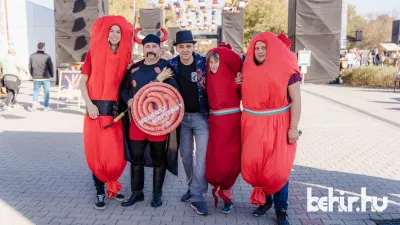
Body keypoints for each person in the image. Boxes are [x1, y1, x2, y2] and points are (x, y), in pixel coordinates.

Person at [240, 33, 301, 225]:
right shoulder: (248, 68)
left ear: (271, 49)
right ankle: (266, 201)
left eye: (263, 48)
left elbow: (297, 100)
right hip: (254, 125)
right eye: (256, 48)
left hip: (279, 124)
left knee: (278, 167)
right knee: (260, 164)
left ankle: (281, 208)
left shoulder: (287, 69)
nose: (259, 51)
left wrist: (293, 128)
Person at [79, 16, 133, 211]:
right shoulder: (93, 52)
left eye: (118, 31)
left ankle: (112, 184)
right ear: (106, 33)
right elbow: (82, 82)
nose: (115, 34)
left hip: (116, 114)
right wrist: (89, 104)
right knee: (98, 153)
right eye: (112, 31)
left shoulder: (127, 56)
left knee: (116, 153)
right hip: (95, 111)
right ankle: (100, 190)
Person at [119, 30, 178, 208]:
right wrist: (128, 99)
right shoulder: (134, 69)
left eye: (154, 46)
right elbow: (122, 90)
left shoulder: (166, 69)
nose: (150, 50)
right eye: (147, 47)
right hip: (137, 122)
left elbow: (175, 93)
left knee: (159, 158)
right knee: (136, 158)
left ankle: (157, 195)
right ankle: (137, 193)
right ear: (142, 49)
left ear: (159, 49)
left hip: (157, 123)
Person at [167, 30, 210, 215]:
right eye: (181, 47)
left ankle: (197, 197)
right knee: (185, 156)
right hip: (181, 119)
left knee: (201, 158)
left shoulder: (203, 63)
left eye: (188, 46)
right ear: (177, 48)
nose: (185, 50)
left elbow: (219, 78)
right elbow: (157, 84)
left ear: (193, 47)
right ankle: (192, 186)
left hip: (201, 117)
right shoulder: (170, 65)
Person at [204, 43, 242, 214]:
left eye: (216, 62)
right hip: (215, 123)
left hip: (231, 122)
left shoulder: (234, 78)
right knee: (216, 158)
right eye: (211, 62)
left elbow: (244, 93)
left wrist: (241, 81)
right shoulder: (207, 77)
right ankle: (219, 186)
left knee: (230, 158)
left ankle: (227, 192)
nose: (213, 65)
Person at [28, 42, 54, 111]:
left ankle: (34, 103)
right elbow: (50, 67)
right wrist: (52, 75)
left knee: (36, 91)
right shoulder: (47, 56)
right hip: (45, 77)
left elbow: (30, 66)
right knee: (46, 92)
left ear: (37, 47)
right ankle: (46, 107)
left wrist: (32, 74)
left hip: (36, 77)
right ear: (43, 47)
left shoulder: (32, 56)